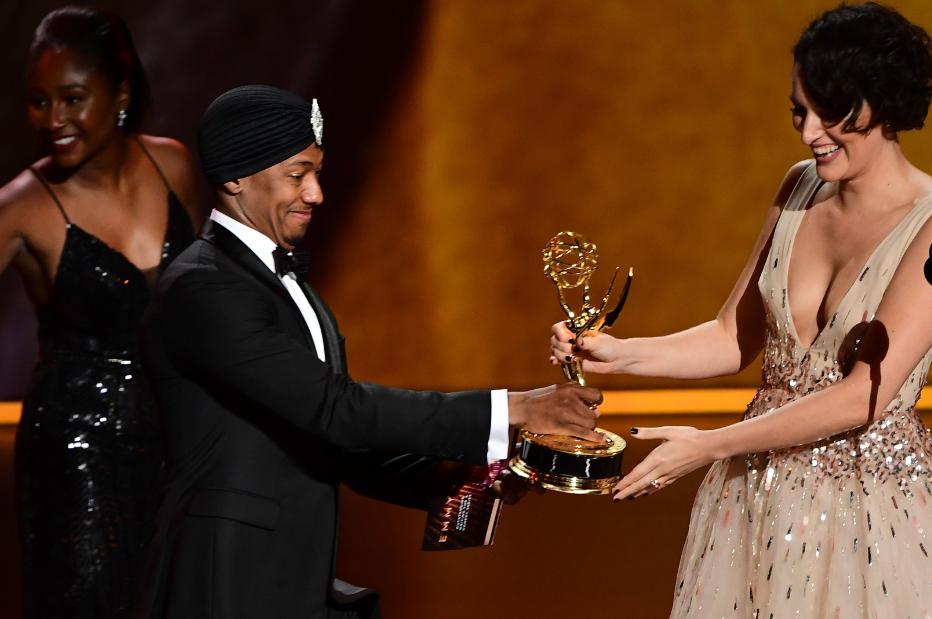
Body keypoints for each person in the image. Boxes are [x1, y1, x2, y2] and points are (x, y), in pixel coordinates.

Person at [550, 3, 932, 617]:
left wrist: (710, 445)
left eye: (833, 113)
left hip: (875, 513)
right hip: (758, 500)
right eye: (800, 110)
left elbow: (863, 397)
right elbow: (731, 336)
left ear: (886, 102)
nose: (809, 133)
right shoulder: (798, 188)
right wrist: (616, 353)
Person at [135, 84, 601, 618]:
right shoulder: (203, 288)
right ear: (235, 176)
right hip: (227, 582)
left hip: (293, 578)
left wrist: (470, 475)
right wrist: (513, 408)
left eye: (317, 173)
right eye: (297, 174)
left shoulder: (282, 285)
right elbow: (336, 409)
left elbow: (335, 442)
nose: (316, 194)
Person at [0, 7, 202, 617]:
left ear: (120, 93)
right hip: (74, 455)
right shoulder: (22, 206)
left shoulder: (175, 167)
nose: (53, 120)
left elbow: (212, 303)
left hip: (176, 441)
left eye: (71, 98)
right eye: (39, 101)